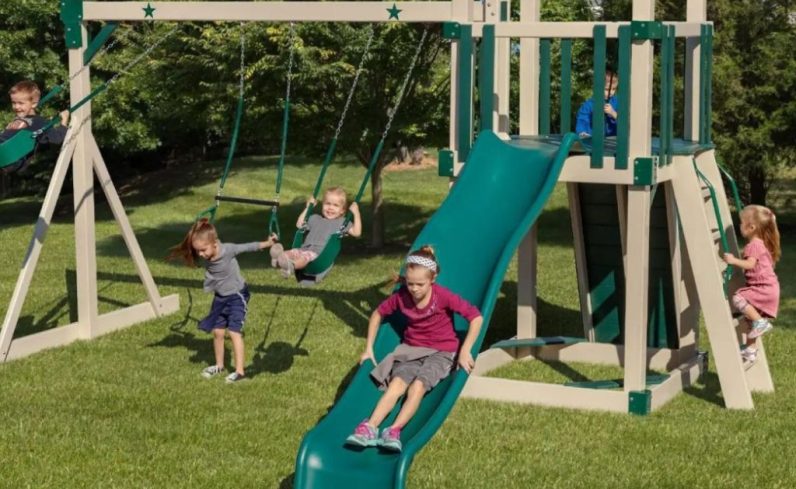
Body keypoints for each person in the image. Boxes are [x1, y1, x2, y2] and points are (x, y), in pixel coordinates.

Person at [345, 246, 483, 452]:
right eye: (410, 284)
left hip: (442, 352)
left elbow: (476, 317)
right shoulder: (402, 296)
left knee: (418, 386)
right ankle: (370, 427)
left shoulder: (443, 296)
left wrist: (465, 350)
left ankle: (394, 430)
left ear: (433, 278)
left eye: (420, 284)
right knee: (396, 384)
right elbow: (377, 314)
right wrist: (369, 348)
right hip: (412, 350)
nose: (414, 289)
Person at [168, 218, 278, 383]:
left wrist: (268, 243)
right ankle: (219, 366)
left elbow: (248, 246)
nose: (201, 254)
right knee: (218, 332)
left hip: (237, 296)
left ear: (214, 243)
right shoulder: (206, 252)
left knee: (234, 332)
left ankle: (239, 372)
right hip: (220, 297)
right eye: (198, 251)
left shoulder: (228, 250)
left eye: (203, 250)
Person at [722, 205, 781, 364]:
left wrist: (733, 260)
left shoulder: (753, 245)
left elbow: (750, 264)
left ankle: (761, 323)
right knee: (750, 320)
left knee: (738, 298)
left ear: (752, 227)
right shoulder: (763, 244)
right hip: (770, 288)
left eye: (742, 222)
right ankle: (750, 350)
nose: (740, 225)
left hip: (763, 288)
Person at [269, 186, 362, 278]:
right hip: (303, 249)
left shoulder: (342, 222)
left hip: (318, 255)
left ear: (342, 210)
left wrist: (356, 213)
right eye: (327, 204)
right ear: (323, 205)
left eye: (335, 205)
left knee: (304, 258)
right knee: (289, 253)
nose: (330, 207)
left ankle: (291, 267)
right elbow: (299, 225)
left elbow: (357, 232)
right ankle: (277, 258)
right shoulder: (315, 218)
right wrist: (308, 208)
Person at [1, 81, 70, 174]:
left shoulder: (39, 122)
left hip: (12, 157)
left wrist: (64, 121)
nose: (16, 107)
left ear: (33, 104)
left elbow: (57, 138)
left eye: (21, 103)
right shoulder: (18, 118)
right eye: (14, 103)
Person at [575, 70, 618, 138]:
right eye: (607, 89)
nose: (611, 92)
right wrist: (582, 132)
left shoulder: (617, 102)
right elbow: (582, 120)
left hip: (613, 139)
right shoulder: (589, 104)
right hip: (594, 140)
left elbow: (625, 122)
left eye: (614, 89)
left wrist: (613, 113)